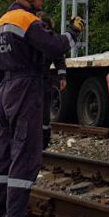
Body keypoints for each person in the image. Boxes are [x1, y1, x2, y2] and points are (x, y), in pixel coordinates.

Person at [0, 0, 82, 217]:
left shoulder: (0, 23)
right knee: (26, 156)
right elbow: (55, 45)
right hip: (27, 88)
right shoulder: (26, 20)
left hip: (6, 88)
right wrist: (75, 31)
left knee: (3, 155)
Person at [35, 13, 68, 151]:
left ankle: (43, 141)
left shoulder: (50, 40)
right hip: (29, 79)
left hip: (43, 80)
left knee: (44, 114)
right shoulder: (30, 36)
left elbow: (59, 57)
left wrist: (62, 76)